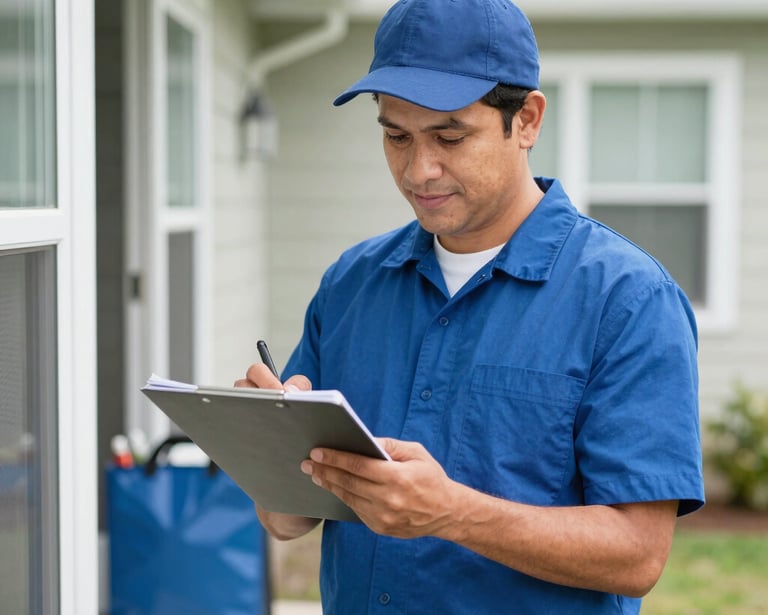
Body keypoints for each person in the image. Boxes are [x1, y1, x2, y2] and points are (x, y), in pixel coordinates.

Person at [236, 0, 705, 612]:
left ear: (527, 120)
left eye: (450, 136)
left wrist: (452, 513)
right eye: (396, 136)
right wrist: (270, 447)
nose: (419, 169)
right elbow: (286, 521)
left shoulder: (628, 299)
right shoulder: (351, 283)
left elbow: (637, 556)